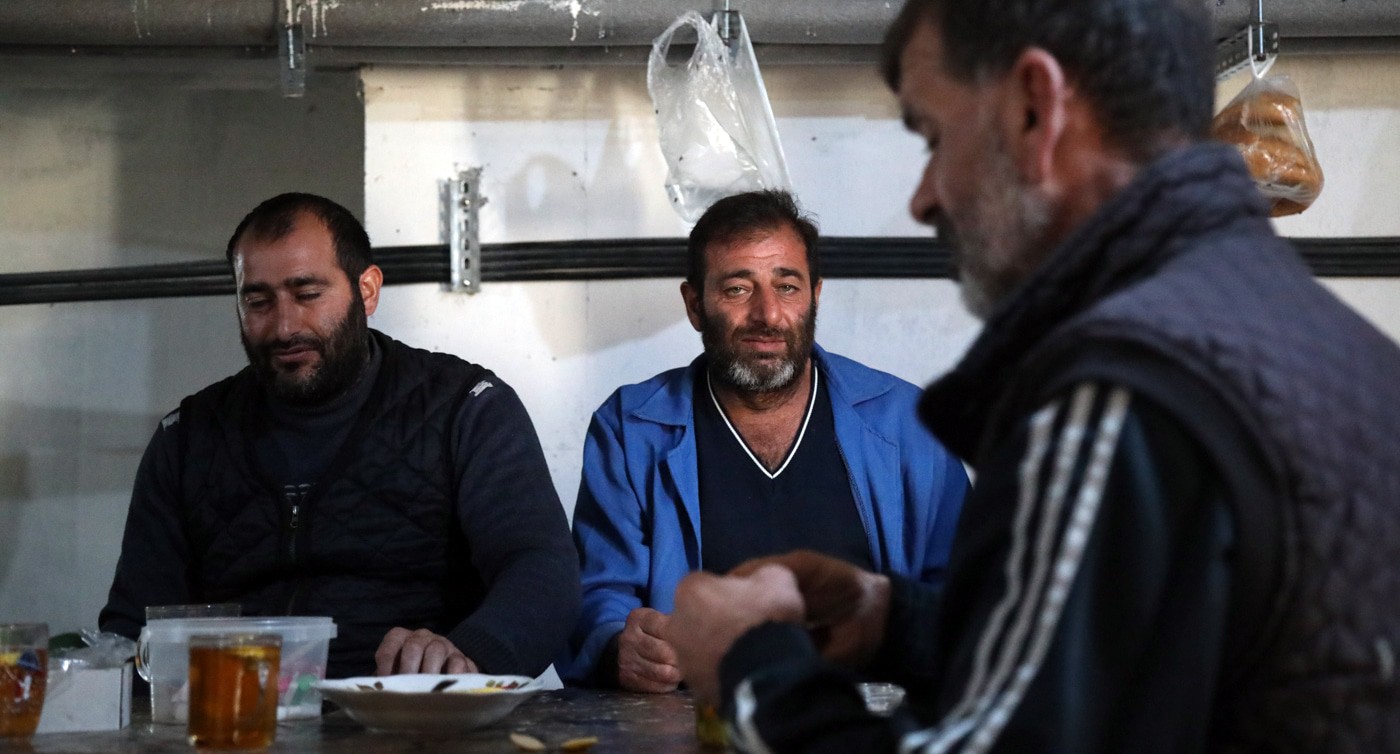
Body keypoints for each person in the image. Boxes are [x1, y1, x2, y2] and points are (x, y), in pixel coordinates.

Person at [665, 0, 1400, 751]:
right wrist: (896, 622)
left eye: (935, 137)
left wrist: (750, 667)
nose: (923, 198)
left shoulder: (1120, 386)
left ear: (1034, 109)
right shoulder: (1330, 345)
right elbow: (1139, 666)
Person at [100, 193, 580, 680]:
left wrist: (469, 657)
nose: (285, 327)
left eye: (308, 294)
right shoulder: (187, 438)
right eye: (258, 301)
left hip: (414, 710)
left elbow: (542, 570)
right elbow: (135, 624)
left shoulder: (466, 408)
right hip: (237, 711)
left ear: (367, 290)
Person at [563, 190, 969, 691]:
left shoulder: (908, 424)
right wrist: (617, 645)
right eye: (738, 289)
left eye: (787, 287)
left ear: (815, 295)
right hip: (695, 718)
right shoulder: (632, 428)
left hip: (871, 717)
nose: (768, 315)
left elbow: (964, 595)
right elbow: (599, 592)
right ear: (695, 305)